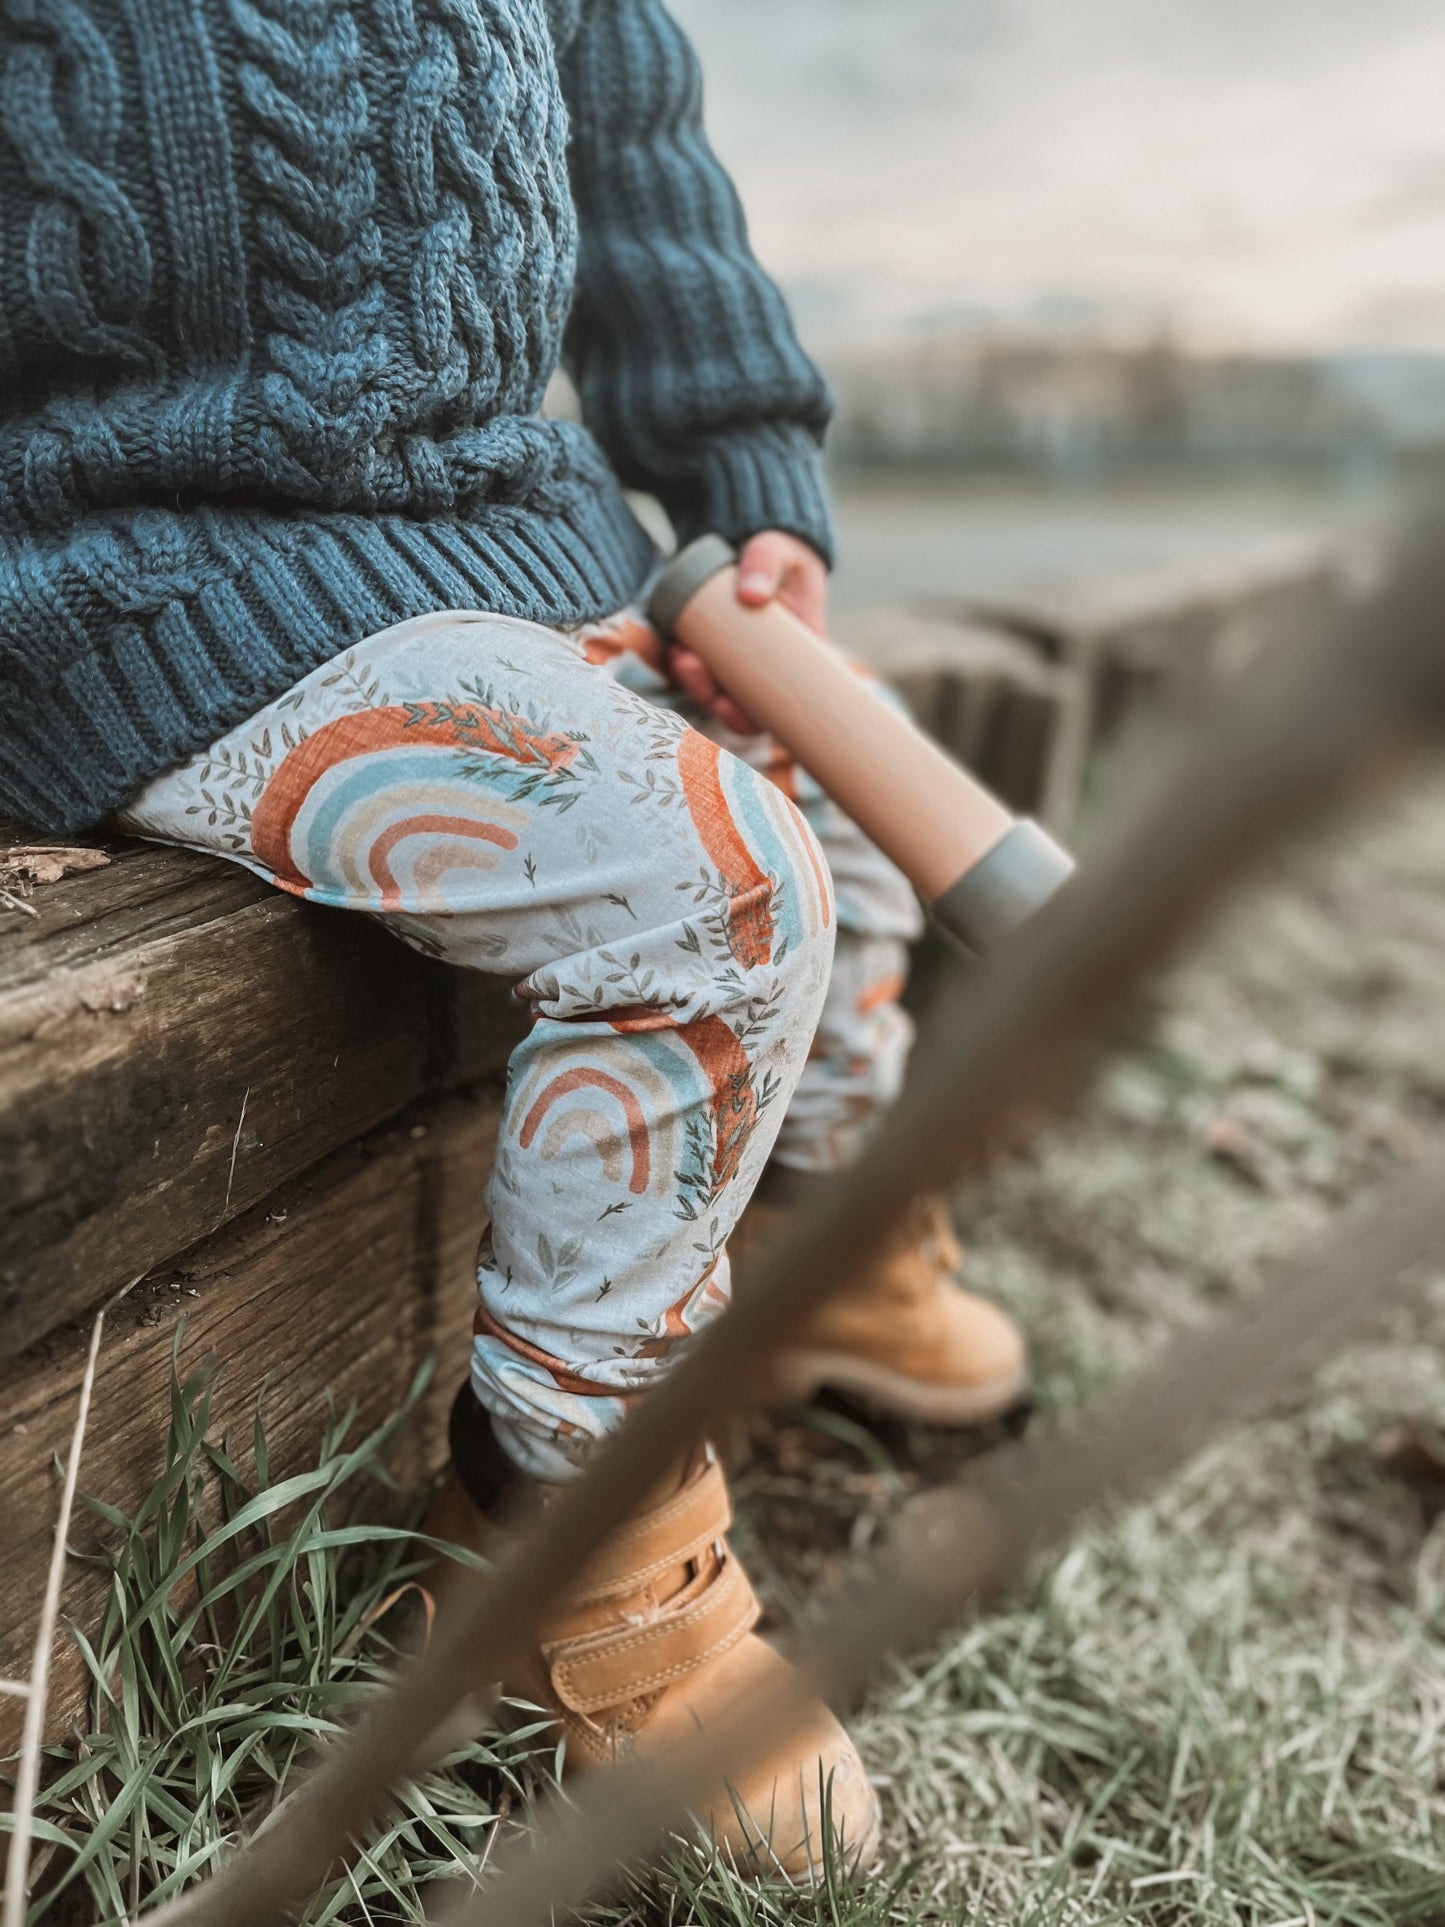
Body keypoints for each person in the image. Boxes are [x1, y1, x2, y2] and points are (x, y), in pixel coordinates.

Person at [0, 0, 1024, 1877]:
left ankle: (810, 1254)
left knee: (854, 830)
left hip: (524, 543)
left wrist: (745, 490)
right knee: (708, 883)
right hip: (162, 578)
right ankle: (563, 1521)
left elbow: (640, 166)